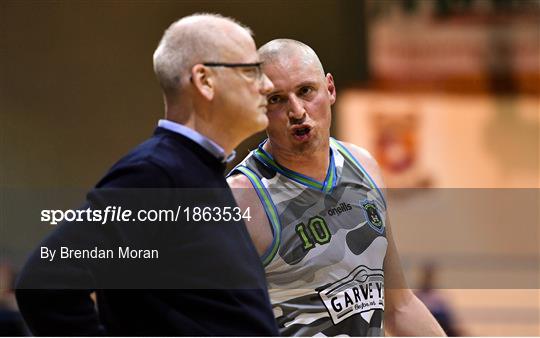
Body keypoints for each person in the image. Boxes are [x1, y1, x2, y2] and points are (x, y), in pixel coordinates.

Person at [15, 14, 279, 336]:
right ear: (205, 80)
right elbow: (45, 283)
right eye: (251, 71)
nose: (266, 85)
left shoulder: (198, 168)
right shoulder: (153, 173)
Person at [227, 39, 446, 336]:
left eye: (306, 91)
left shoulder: (363, 165)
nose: (297, 111)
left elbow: (399, 306)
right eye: (276, 99)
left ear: (330, 89)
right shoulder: (241, 199)